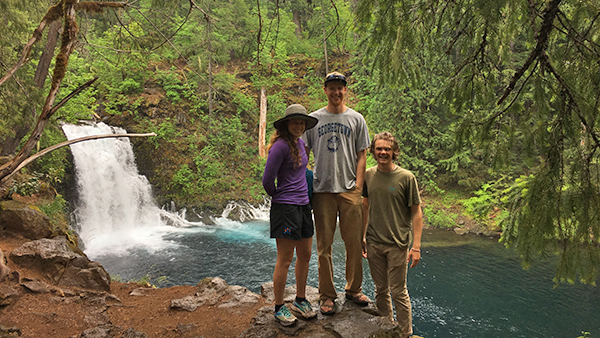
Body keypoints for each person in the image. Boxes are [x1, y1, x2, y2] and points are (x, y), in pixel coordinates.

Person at [302, 72, 371, 315]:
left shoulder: (356, 119)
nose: (336, 92)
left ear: (345, 90)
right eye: (331, 88)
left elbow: (362, 154)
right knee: (324, 246)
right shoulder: (313, 119)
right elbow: (303, 152)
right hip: (322, 191)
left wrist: (359, 186)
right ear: (325, 90)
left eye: (340, 88)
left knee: (353, 243)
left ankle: (353, 289)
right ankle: (327, 295)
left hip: (350, 189)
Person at [361, 131, 423, 338]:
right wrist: (363, 236)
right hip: (374, 242)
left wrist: (416, 247)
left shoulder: (406, 178)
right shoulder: (368, 175)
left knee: (398, 291)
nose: (383, 152)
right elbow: (365, 206)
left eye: (387, 149)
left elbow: (416, 213)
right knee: (380, 289)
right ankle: (387, 328)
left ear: (394, 152)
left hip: (398, 244)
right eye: (379, 148)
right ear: (373, 150)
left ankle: (405, 333)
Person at [262, 104, 319, 326]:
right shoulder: (280, 146)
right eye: (295, 122)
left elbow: (302, 173)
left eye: (302, 122)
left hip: (303, 206)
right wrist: (280, 196)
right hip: (286, 207)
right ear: (287, 124)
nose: (299, 125)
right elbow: (267, 180)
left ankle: (300, 299)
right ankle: (278, 307)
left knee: (305, 254)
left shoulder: (301, 143)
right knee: (285, 259)